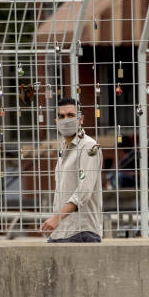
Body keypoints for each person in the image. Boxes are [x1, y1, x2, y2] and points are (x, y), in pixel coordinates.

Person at [41, 97, 103, 243]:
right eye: (61, 116)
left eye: (70, 115)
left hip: (81, 231)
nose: (65, 120)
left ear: (81, 119)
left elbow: (84, 191)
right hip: (61, 232)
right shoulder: (64, 147)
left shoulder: (88, 146)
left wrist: (57, 218)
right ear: (55, 121)